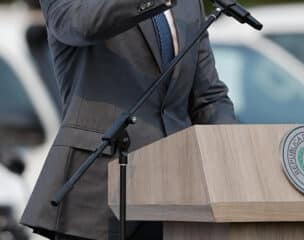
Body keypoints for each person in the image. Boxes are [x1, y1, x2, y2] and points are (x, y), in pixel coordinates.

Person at [20, 0, 237, 239]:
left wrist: (231, 158)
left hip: (178, 196)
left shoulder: (188, 4)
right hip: (96, 195)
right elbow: (83, 26)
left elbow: (208, 97)